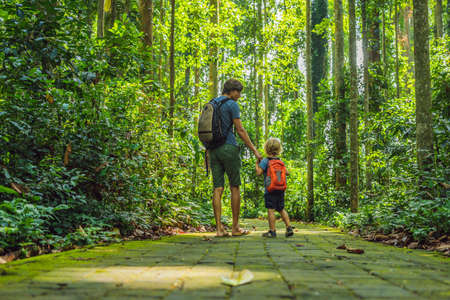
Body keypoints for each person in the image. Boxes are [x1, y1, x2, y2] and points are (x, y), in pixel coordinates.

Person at [209, 79, 262, 237]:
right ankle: (235, 227)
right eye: (237, 91)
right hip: (228, 147)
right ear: (230, 91)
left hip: (212, 149)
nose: (239, 95)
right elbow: (240, 130)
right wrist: (254, 150)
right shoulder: (232, 104)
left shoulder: (212, 103)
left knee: (217, 188)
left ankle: (218, 229)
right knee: (234, 186)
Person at [255, 138, 293, 238]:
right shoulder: (280, 161)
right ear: (279, 149)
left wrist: (257, 165)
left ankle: (272, 231)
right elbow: (287, 173)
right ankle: (289, 227)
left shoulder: (265, 161)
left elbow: (259, 173)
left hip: (270, 190)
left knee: (271, 210)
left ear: (266, 149)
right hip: (280, 189)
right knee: (281, 209)